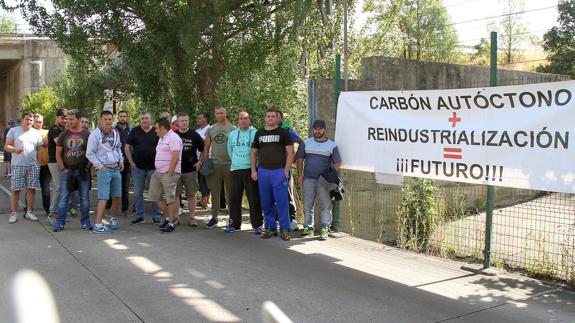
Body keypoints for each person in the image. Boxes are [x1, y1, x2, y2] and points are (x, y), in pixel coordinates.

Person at [250, 109, 294, 241]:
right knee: (266, 201)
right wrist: (253, 170)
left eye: (273, 116)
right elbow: (253, 153)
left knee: (282, 201)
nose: (270, 118)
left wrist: (286, 170)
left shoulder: (283, 133)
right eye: (268, 116)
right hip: (263, 172)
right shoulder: (259, 133)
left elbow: (291, 152)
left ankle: (285, 229)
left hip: (278, 172)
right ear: (265, 118)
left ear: (277, 118)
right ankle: (270, 227)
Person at [296, 120, 342, 240]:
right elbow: (299, 159)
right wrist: (300, 175)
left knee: (325, 206)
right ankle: (308, 228)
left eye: (320, 129)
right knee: (307, 206)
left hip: (323, 182)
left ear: (324, 130)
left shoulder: (332, 145)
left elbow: (337, 163)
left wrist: (328, 174)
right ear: (312, 130)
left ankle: (325, 229)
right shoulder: (306, 143)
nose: (317, 131)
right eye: (315, 129)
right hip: (308, 179)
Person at [53, 110, 93, 232]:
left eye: (71, 119)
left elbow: (92, 152)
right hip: (68, 171)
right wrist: (62, 169)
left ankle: (85, 222)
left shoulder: (87, 134)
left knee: (84, 198)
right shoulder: (63, 135)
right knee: (64, 197)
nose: (68, 122)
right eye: (67, 119)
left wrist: (87, 167)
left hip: (83, 170)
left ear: (79, 119)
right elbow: (58, 154)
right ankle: (60, 222)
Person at [86, 110, 125, 234]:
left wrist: (121, 161)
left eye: (110, 119)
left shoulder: (115, 132)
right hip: (104, 169)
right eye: (105, 119)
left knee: (117, 195)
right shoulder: (94, 134)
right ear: (100, 120)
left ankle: (113, 218)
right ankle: (98, 224)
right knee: (103, 197)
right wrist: (100, 166)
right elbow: (89, 154)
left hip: (115, 168)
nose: (108, 121)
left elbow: (118, 148)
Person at [225, 111, 262, 234]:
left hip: (250, 170)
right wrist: (236, 161)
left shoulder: (255, 133)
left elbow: (258, 151)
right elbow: (230, 150)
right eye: (241, 118)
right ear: (238, 121)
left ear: (249, 120)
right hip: (235, 169)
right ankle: (234, 224)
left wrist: (254, 167)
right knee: (234, 198)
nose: (243, 120)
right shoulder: (232, 134)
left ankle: (257, 225)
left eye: (246, 118)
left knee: (253, 198)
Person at [198, 106, 235, 229]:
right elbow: (207, 147)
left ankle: (232, 218)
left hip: (229, 165)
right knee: (215, 193)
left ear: (226, 113)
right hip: (215, 164)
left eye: (221, 113)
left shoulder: (233, 129)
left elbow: (236, 147)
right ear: (215, 115)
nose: (219, 115)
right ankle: (214, 218)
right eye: (217, 113)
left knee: (230, 193)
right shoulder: (211, 129)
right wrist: (204, 162)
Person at [5, 112, 44, 223]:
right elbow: (6, 146)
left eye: (31, 120)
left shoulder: (36, 133)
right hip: (17, 165)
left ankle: (29, 212)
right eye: (27, 119)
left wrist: (38, 163)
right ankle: (13, 213)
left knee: (31, 189)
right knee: (15, 189)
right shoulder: (14, 131)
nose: (29, 122)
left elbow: (39, 149)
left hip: (32, 165)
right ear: (22, 120)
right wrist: (14, 150)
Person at [126, 112, 162, 224]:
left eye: (146, 118)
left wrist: (160, 164)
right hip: (138, 167)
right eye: (142, 118)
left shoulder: (157, 131)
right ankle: (139, 215)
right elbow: (127, 147)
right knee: (137, 192)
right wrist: (131, 162)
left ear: (151, 119)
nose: (144, 120)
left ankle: (156, 215)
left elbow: (163, 147)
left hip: (154, 167)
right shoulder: (134, 131)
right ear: (139, 120)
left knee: (155, 192)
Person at [148, 117, 182, 233]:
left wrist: (171, 172)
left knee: (170, 199)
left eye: (156, 128)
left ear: (162, 127)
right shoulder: (162, 138)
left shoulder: (173, 137)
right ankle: (169, 218)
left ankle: (171, 223)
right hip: (158, 173)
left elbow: (175, 156)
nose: (155, 130)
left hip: (169, 173)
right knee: (154, 196)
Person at [174, 112, 204, 226]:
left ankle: (192, 218)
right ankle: (176, 217)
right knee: (176, 195)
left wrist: (200, 162)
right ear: (177, 122)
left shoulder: (194, 135)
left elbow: (203, 149)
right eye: (182, 121)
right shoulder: (173, 135)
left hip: (190, 171)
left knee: (191, 195)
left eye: (186, 120)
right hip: (176, 170)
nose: (184, 122)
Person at [276, 110, 303, 231]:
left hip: (284, 168)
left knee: (287, 193)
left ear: (281, 119)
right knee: (274, 194)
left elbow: (301, 142)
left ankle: (292, 220)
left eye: (276, 116)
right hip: (271, 168)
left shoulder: (288, 131)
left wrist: (295, 158)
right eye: (271, 116)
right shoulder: (267, 131)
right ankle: (277, 220)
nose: (274, 118)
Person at [47, 108, 68, 223]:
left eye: (66, 118)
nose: (65, 120)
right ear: (57, 117)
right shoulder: (54, 129)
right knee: (58, 186)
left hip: (62, 161)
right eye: (62, 118)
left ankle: (60, 212)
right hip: (54, 161)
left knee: (63, 187)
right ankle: (52, 212)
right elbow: (61, 143)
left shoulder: (62, 129)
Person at [111, 110, 131, 214]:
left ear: (127, 118)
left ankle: (125, 207)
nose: (122, 118)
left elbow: (133, 146)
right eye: (121, 116)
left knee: (125, 186)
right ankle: (109, 205)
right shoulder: (114, 129)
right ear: (118, 118)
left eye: (124, 116)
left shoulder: (131, 129)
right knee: (113, 183)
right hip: (115, 161)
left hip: (127, 162)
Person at [33, 114, 51, 216]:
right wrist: (41, 142)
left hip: (45, 165)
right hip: (32, 165)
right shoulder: (29, 133)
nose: (39, 124)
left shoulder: (46, 132)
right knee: (31, 188)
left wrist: (41, 142)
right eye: (37, 121)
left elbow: (49, 142)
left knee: (46, 188)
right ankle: (28, 209)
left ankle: (48, 210)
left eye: (40, 122)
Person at [196, 112, 211, 208]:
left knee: (206, 180)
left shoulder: (210, 129)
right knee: (200, 180)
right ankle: (202, 199)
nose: (198, 120)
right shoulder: (197, 131)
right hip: (197, 158)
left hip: (208, 158)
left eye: (200, 118)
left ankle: (205, 201)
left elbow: (207, 143)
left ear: (205, 119)